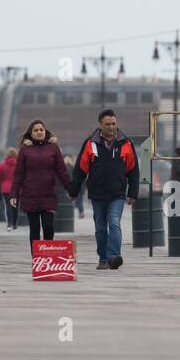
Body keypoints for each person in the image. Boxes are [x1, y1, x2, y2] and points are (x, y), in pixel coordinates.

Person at [69, 109, 140, 270]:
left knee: (114, 223)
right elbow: (80, 170)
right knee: (100, 228)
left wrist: (132, 193)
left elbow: (133, 171)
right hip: (97, 194)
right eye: (107, 124)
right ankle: (103, 258)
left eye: (114, 124)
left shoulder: (126, 143)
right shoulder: (90, 144)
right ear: (100, 125)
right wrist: (73, 192)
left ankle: (114, 256)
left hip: (117, 193)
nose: (111, 127)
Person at [10, 119, 73, 252]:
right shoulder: (25, 150)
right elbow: (18, 174)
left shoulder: (53, 148)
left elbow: (62, 170)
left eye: (41, 130)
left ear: (45, 131)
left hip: (48, 194)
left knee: (48, 226)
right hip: (30, 195)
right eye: (36, 130)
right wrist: (14, 194)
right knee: (34, 229)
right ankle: (37, 258)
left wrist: (70, 188)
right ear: (31, 133)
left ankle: (48, 254)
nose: (39, 132)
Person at [0, 147, 19, 229]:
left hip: (5, 189)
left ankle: (9, 224)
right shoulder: (19, 165)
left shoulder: (2, 165)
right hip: (16, 188)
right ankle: (15, 224)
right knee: (14, 206)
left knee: (7, 206)